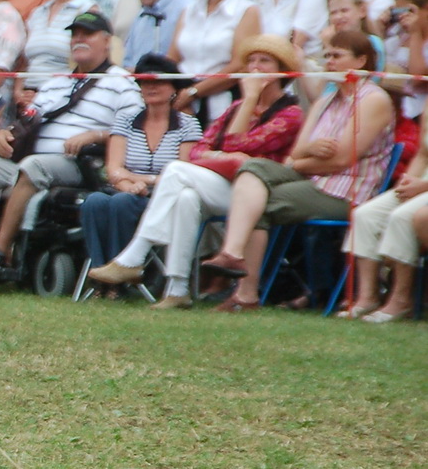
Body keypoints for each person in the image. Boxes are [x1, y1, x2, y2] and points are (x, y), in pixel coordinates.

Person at [92, 38, 306, 307]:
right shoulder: (236, 108)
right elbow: (200, 151)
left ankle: (136, 254)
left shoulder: (291, 113)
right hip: (227, 186)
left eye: (264, 61)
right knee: (186, 197)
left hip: (257, 197)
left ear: (281, 71)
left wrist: (249, 99)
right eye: (251, 60)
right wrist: (228, 155)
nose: (254, 67)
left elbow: (236, 145)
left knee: (176, 171)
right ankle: (177, 289)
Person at [201, 31, 395, 310]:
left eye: (337, 56)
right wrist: (307, 154)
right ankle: (231, 255)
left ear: (362, 60)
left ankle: (245, 294)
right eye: (327, 55)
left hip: (347, 191)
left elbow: (341, 161)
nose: (329, 62)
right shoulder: (326, 100)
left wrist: (302, 161)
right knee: (253, 166)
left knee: (261, 205)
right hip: (315, 180)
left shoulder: (372, 99)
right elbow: (296, 153)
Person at [0, 11, 141, 278]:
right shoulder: (57, 82)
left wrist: (95, 135)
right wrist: (5, 134)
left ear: (107, 41)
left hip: (82, 164)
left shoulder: (122, 82)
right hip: (32, 162)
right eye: (75, 35)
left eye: (88, 34)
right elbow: (28, 119)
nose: (79, 40)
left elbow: (136, 129)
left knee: (34, 165)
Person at [77, 54, 203, 293]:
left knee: (122, 203)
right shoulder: (125, 120)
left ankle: (117, 280)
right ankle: (102, 276)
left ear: (174, 88)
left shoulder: (188, 125)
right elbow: (113, 167)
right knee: (94, 201)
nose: (151, 87)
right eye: (145, 82)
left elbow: (185, 171)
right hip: (124, 188)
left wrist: (141, 182)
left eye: (158, 82)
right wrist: (127, 184)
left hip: (165, 196)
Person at [349, 104, 428, 321]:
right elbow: (423, 153)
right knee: (365, 214)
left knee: (401, 217)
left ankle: (401, 300)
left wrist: (422, 186)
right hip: (421, 180)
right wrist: (406, 183)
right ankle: (368, 296)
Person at [169, 0, 260, 120]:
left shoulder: (246, 11)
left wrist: (195, 91)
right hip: (182, 103)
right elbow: (173, 57)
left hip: (222, 105)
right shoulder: (189, 9)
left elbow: (240, 64)